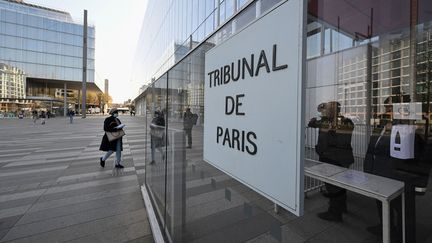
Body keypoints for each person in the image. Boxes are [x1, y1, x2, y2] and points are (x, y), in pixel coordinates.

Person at [364, 96, 430, 243]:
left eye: (392, 108)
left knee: (401, 209)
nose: (388, 110)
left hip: (395, 175)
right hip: (378, 171)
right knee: (381, 203)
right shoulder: (382, 121)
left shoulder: (409, 126)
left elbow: (420, 150)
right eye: (387, 107)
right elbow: (372, 145)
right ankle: (386, 227)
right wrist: (368, 168)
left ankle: (403, 236)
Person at [308, 101, 354, 222]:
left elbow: (340, 141)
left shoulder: (344, 122)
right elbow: (311, 123)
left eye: (327, 109)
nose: (325, 111)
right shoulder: (325, 121)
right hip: (332, 158)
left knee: (333, 186)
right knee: (339, 184)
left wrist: (330, 130)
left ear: (333, 111)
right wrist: (321, 114)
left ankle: (335, 213)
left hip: (336, 159)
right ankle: (341, 207)